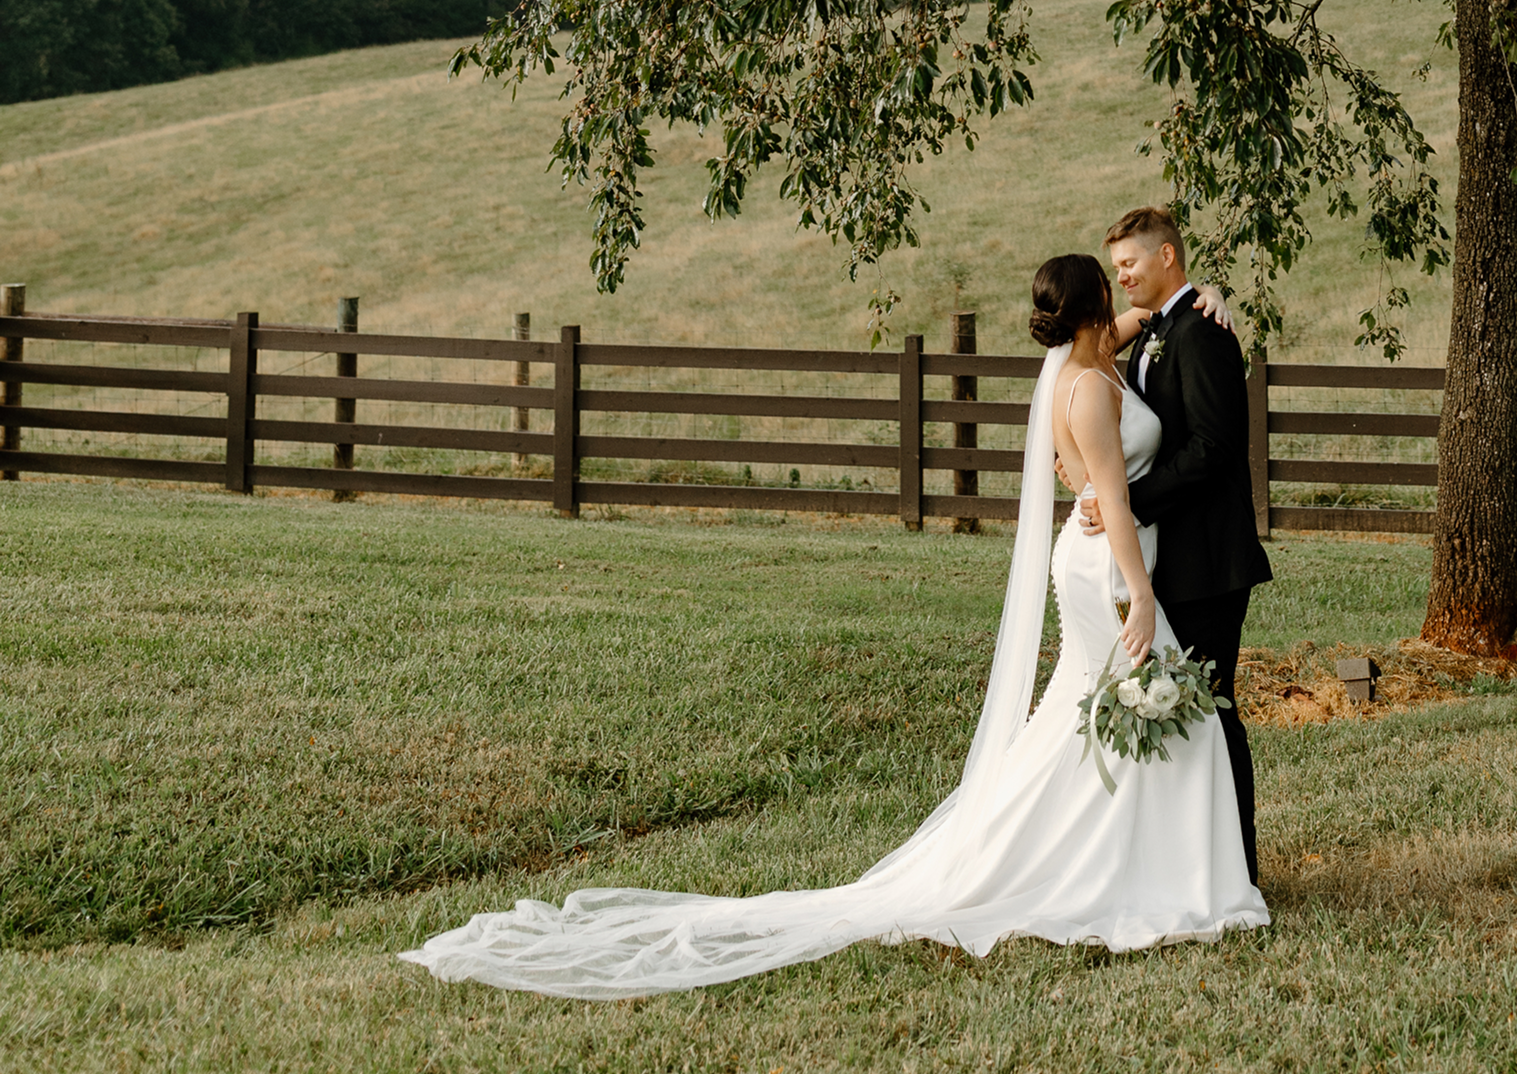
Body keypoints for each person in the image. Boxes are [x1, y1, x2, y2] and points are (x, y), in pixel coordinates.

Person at [396, 253, 1267, 998]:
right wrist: (1142, 594)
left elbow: (1140, 318)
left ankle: (1139, 862)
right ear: (1090, 314)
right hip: (1109, 564)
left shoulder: (1085, 361)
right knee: (1130, 713)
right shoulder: (1086, 393)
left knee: (1092, 722)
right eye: (1108, 292)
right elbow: (1110, 498)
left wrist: (1203, 291)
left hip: (1094, 560)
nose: (1121, 301)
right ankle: (1130, 875)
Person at [1084, 205, 1275, 884]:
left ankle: (1237, 873)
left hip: (1209, 563)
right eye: (1115, 269)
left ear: (1168, 256)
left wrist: (1127, 504)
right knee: (1187, 715)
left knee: (1215, 714)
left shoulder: (1201, 335)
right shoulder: (1166, 328)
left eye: (1130, 264)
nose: (1122, 278)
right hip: (1174, 559)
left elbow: (1214, 451)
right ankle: (1193, 866)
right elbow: (1090, 343)